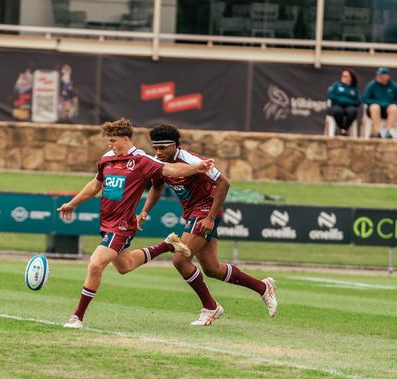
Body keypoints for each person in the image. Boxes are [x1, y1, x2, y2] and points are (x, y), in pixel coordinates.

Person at [57, 118, 215, 329]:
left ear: (125, 138)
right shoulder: (106, 159)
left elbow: (170, 170)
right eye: (108, 141)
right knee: (125, 266)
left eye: (112, 140)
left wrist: (197, 167)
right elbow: (95, 186)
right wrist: (72, 204)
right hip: (107, 223)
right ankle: (167, 245)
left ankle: (77, 317)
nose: (109, 145)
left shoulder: (141, 160)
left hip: (122, 225)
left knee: (95, 264)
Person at [137, 124, 277, 325]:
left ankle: (210, 307)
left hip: (205, 211)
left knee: (180, 260)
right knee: (212, 269)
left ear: (175, 146)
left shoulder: (192, 161)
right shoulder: (160, 163)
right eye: (155, 148)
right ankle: (263, 288)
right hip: (192, 213)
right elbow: (156, 188)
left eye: (163, 148)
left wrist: (210, 218)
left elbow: (224, 183)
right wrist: (144, 211)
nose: (158, 152)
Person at [363, 67, 397, 138]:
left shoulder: (393, 86)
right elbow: (365, 99)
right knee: (375, 107)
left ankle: (388, 132)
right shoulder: (372, 85)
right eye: (378, 74)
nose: (379, 76)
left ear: (387, 76)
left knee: (394, 108)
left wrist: (389, 105)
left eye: (381, 75)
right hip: (373, 110)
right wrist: (376, 103)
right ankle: (378, 132)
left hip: (387, 110)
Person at [326, 69, 360, 136]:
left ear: (351, 78)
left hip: (349, 106)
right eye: (343, 75)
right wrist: (340, 100)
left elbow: (358, 101)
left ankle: (344, 129)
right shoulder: (336, 85)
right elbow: (329, 95)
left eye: (346, 76)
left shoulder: (354, 89)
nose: (343, 77)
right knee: (337, 111)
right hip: (337, 105)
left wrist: (347, 101)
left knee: (353, 111)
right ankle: (341, 128)